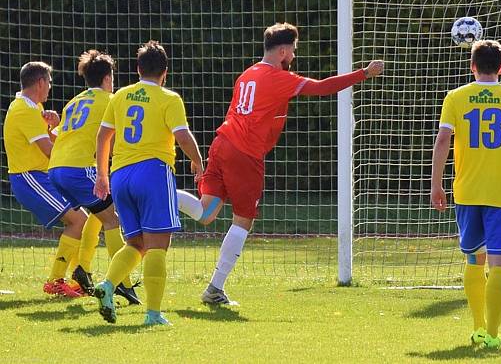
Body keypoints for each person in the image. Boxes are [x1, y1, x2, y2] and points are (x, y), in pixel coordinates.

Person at [176, 22, 384, 305]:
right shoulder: (276, 78)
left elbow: (233, 111)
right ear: (283, 51)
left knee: (206, 212)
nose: (294, 58)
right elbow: (322, 87)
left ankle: (164, 193)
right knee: (243, 220)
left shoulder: (247, 74)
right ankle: (215, 288)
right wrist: (364, 73)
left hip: (222, 143)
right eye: (293, 52)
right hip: (244, 153)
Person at [430, 39, 501, 349]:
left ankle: (478, 327)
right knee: (499, 266)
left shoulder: (456, 97)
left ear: (472, 66)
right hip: (500, 194)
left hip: (466, 192)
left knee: (474, 262)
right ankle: (493, 334)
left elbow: (442, 142)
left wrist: (436, 184)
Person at [92, 41, 204, 326]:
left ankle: (107, 284)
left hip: (120, 176)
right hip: (152, 172)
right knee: (157, 246)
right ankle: (153, 314)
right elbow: (183, 135)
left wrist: (102, 175)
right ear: (165, 72)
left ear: (137, 69)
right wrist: (198, 162)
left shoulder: (120, 96)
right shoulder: (169, 98)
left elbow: (103, 137)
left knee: (136, 243)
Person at [48, 50, 139, 304]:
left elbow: (59, 136)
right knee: (112, 220)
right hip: (79, 170)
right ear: (108, 78)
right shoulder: (110, 100)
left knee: (89, 216)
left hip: (56, 168)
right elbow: (122, 134)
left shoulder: (73, 102)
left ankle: (72, 273)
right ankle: (123, 282)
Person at [2, 61, 87, 297]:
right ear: (40, 82)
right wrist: (75, 156)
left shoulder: (32, 106)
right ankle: (56, 281)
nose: (50, 87)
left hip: (40, 176)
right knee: (78, 221)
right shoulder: (24, 110)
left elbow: (47, 142)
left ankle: (78, 279)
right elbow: (49, 150)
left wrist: (55, 126)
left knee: (83, 220)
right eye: (49, 82)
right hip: (30, 178)